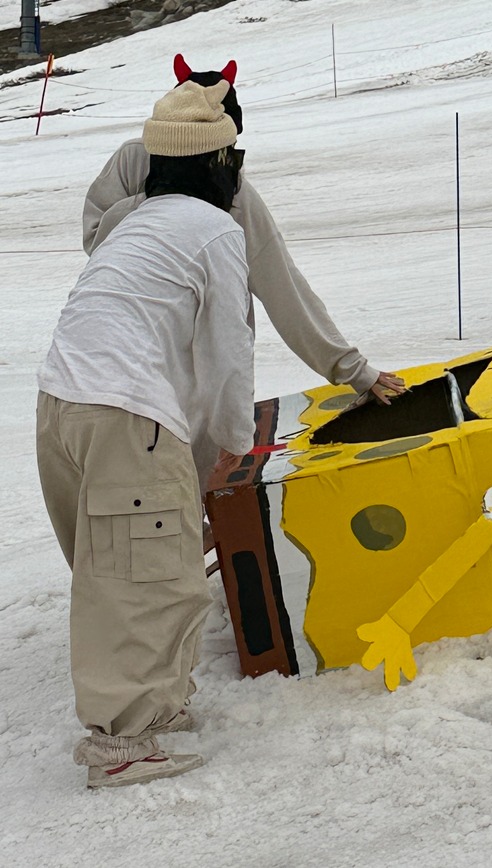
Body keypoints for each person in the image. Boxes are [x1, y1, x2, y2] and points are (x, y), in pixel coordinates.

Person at [37, 80, 259, 788]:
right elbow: (229, 351)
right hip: (124, 416)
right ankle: (126, 743)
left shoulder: (133, 223)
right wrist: (232, 440)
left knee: (113, 573)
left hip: (60, 405)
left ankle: (152, 709)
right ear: (216, 164)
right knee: (152, 579)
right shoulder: (216, 231)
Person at [83, 54, 405, 491]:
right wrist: (157, 200)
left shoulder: (232, 191)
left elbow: (282, 289)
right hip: (110, 365)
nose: (227, 161)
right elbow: (96, 240)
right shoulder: (134, 162)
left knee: (179, 500)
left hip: (178, 378)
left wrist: (352, 369)